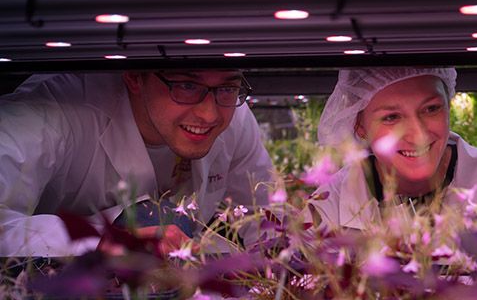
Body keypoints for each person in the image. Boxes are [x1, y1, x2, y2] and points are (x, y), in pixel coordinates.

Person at [0, 70, 273, 257]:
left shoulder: (234, 117)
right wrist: (100, 244)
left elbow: (267, 217)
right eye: (186, 85)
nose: (209, 113)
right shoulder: (51, 110)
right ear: (133, 76)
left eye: (227, 87)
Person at [308, 67, 477, 231]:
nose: (418, 135)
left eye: (431, 109)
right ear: (359, 125)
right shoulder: (327, 208)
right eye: (391, 117)